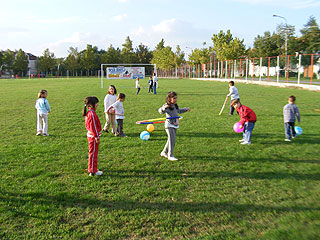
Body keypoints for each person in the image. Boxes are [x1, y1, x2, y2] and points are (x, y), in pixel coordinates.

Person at [158, 91, 190, 161]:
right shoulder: (167, 105)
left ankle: (164, 152)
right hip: (169, 125)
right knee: (172, 140)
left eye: (176, 98)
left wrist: (185, 109)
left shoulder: (174, 105)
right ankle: (170, 155)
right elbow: (160, 111)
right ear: (169, 99)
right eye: (174, 98)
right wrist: (164, 108)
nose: (176, 100)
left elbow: (179, 111)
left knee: (170, 139)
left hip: (175, 125)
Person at [83, 96, 103, 176]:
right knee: (93, 154)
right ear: (91, 105)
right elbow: (93, 127)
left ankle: (92, 168)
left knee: (93, 153)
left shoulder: (90, 113)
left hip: (91, 136)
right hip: (93, 137)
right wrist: (97, 137)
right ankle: (92, 171)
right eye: (96, 103)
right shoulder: (91, 114)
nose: (97, 105)